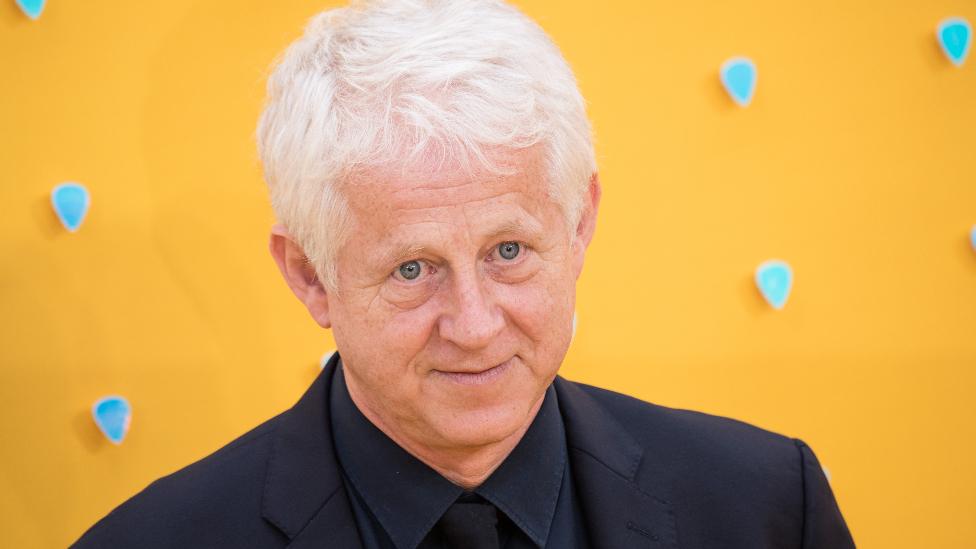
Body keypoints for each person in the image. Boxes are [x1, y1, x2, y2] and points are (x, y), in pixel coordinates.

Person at [72, 1, 855, 547]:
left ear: (579, 225)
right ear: (311, 276)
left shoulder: (766, 507)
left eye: (508, 252)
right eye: (413, 268)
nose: (476, 325)